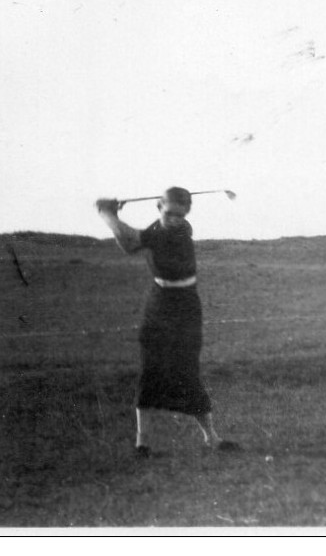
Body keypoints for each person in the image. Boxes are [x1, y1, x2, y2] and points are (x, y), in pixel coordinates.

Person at [95, 187, 240, 456]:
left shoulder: (177, 232)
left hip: (184, 306)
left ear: (187, 213)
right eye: (169, 212)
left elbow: (128, 242)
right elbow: (130, 241)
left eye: (180, 214)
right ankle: (143, 443)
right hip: (160, 302)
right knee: (151, 370)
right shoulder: (157, 230)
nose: (174, 218)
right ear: (159, 207)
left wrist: (107, 214)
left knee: (187, 369)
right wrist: (112, 216)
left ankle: (212, 438)